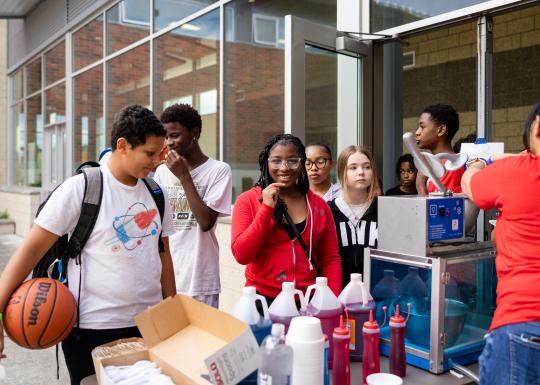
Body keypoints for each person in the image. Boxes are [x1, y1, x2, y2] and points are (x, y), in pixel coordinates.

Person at [0, 105, 176, 385]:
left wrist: (172, 313)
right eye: (150, 153)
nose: (157, 162)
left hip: (148, 324)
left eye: (160, 153)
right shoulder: (81, 189)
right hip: (92, 330)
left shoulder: (157, 193)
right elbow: (31, 251)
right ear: (123, 146)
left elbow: (163, 256)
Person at [461, 103, 540, 385]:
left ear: (537, 127)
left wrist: (476, 164)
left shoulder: (518, 171)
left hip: (524, 323)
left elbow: (470, 186)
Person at [231, 134, 342, 302]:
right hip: (262, 300)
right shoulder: (247, 201)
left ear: (302, 163)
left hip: (307, 300)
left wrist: (332, 301)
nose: (284, 167)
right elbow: (242, 255)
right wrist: (266, 209)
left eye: (292, 160)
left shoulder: (318, 205)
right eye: (276, 161)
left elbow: (330, 259)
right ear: (266, 163)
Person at [153, 104, 232, 309]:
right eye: (166, 137)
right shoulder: (162, 172)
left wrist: (183, 176)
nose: (169, 143)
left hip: (200, 279)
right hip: (169, 276)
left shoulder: (218, 171)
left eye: (175, 135)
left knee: (202, 341)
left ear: (194, 133)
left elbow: (205, 221)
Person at [328, 145, 378, 288]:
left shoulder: (383, 209)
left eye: (367, 167)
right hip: (338, 292)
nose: (361, 172)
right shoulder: (328, 211)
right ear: (341, 172)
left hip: (377, 293)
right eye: (353, 168)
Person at [415, 104, 463, 195]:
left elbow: (440, 206)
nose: (417, 132)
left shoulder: (451, 167)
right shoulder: (442, 164)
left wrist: (420, 183)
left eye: (422, 127)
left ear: (441, 130)